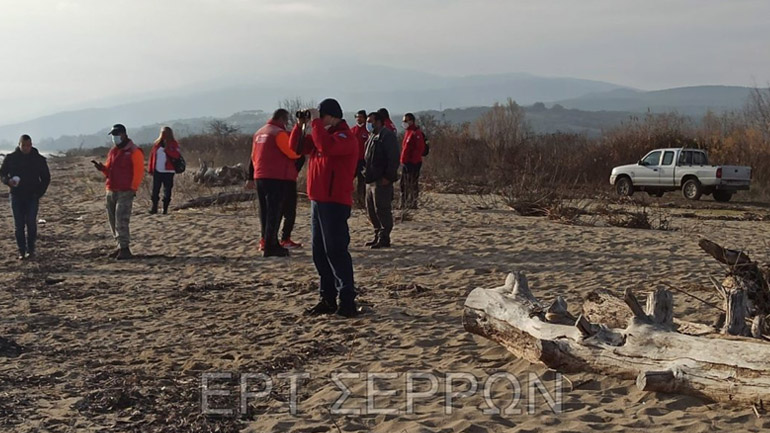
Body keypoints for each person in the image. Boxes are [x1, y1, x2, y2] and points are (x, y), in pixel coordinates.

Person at [290, 98, 360, 317]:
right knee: (319, 253)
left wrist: (316, 124)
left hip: (335, 202)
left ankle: (347, 300)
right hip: (318, 201)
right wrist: (300, 125)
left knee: (336, 251)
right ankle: (327, 298)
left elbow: (326, 147)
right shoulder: (322, 135)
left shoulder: (344, 137)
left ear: (332, 116)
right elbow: (297, 147)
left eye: (322, 116)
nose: (318, 121)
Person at [246, 109, 301, 257]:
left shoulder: (259, 132)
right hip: (276, 176)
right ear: (283, 119)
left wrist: (250, 176)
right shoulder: (278, 133)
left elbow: (252, 156)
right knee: (274, 211)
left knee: (264, 211)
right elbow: (291, 153)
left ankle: (265, 240)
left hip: (260, 176)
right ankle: (272, 245)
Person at [92, 124, 144, 260]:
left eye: (117, 134)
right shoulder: (113, 151)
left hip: (125, 190)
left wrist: (133, 188)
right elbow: (109, 170)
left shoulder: (134, 151)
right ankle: (120, 246)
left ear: (124, 134)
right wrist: (102, 168)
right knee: (113, 220)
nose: (115, 138)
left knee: (122, 219)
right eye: (113, 135)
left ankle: (125, 248)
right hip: (111, 188)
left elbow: (139, 172)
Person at [0, 135, 50, 260]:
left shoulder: (38, 159)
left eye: (28, 145)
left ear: (31, 144)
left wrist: (39, 193)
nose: (26, 148)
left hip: (32, 196)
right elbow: (2, 174)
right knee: (19, 224)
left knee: (31, 223)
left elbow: (46, 178)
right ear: (19, 145)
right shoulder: (11, 158)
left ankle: (31, 250)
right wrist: (8, 181)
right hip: (16, 195)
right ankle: (22, 251)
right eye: (24, 145)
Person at [362, 112, 400, 249]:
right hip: (370, 179)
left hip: (382, 180)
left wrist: (388, 177)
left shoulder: (387, 136)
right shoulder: (372, 137)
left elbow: (393, 158)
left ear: (378, 122)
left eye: (370, 121)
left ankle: (385, 237)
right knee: (371, 209)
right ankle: (377, 234)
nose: (368, 124)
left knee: (382, 209)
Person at [147, 126, 181, 215]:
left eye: (165, 133)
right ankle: (154, 208)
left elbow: (176, 155)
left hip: (169, 171)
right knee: (155, 190)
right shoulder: (157, 144)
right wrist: (150, 168)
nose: (164, 134)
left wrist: (167, 149)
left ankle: (165, 209)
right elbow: (152, 157)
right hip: (157, 170)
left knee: (167, 190)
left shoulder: (174, 144)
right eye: (162, 132)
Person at [400, 113, 426, 209]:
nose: (404, 123)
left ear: (411, 121)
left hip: (413, 163)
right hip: (405, 163)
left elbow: (419, 148)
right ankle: (404, 202)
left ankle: (413, 202)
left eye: (406, 121)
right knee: (403, 184)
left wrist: (412, 161)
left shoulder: (416, 133)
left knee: (412, 183)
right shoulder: (408, 132)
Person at [350, 109, 369, 207]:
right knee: (348, 180)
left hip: (363, 161)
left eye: (361, 117)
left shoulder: (368, 131)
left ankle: (361, 202)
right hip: (352, 160)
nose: (358, 119)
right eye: (357, 117)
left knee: (362, 183)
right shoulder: (352, 131)